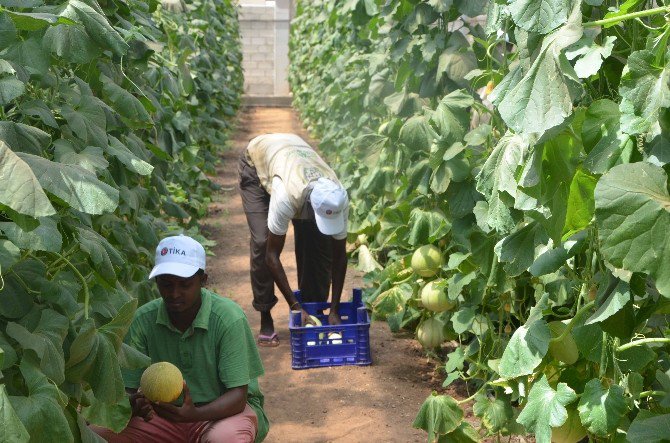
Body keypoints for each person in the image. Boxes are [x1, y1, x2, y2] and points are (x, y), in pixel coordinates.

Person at [91, 234, 269, 442]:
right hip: (163, 417)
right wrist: (135, 404)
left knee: (225, 439)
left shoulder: (228, 318)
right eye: (166, 284)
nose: (174, 293)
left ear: (203, 280)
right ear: (157, 281)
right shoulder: (142, 320)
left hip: (222, 415)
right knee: (97, 435)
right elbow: (128, 390)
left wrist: (194, 415)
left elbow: (238, 398)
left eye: (184, 285)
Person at [238, 133, 349, 347]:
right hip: (258, 162)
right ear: (311, 207)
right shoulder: (288, 196)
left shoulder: (338, 197)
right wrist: (295, 306)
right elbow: (272, 257)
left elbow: (339, 256)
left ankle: (314, 310)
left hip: (294, 153)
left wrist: (334, 308)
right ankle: (265, 315)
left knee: (318, 247)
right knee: (263, 242)